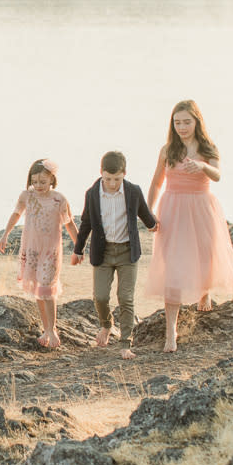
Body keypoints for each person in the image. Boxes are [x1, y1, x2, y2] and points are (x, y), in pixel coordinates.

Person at [145, 100, 233, 352]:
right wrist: (148, 213)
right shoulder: (168, 150)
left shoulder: (208, 147)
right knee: (172, 267)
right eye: (177, 122)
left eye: (187, 121)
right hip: (172, 207)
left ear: (197, 121)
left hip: (201, 205)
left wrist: (201, 165)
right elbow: (156, 183)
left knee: (205, 253)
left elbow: (218, 175)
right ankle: (171, 334)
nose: (182, 127)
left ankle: (204, 290)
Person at [71, 151, 159, 359]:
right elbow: (86, 223)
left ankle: (125, 343)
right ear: (101, 173)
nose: (112, 183)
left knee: (125, 298)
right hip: (103, 252)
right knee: (100, 296)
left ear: (124, 174)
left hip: (128, 252)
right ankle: (106, 324)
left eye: (116, 179)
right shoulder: (92, 194)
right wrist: (78, 249)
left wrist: (154, 225)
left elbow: (145, 215)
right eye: (107, 178)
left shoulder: (133, 191)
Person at [0, 158, 80, 349]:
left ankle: (52, 330)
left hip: (51, 251)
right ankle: (46, 329)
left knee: (46, 289)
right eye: (34, 181)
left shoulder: (59, 199)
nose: (38, 185)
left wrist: (78, 247)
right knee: (38, 291)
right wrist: (5, 234)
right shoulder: (26, 196)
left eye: (43, 182)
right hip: (32, 250)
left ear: (52, 179)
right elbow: (16, 214)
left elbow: (69, 224)